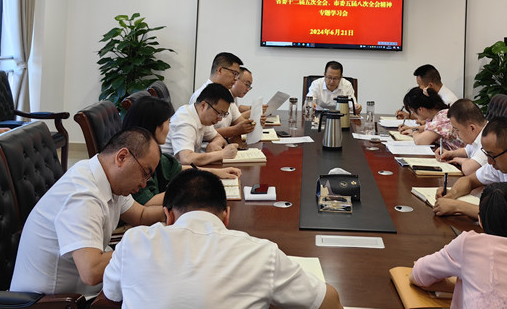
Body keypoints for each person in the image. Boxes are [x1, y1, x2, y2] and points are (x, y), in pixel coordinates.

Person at [103, 169, 342, 309]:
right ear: (226, 215)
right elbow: (327, 300)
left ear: (168, 215)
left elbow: (111, 294)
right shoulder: (261, 254)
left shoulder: (133, 241)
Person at [10, 128, 165, 297]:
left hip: (78, 292)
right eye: (145, 173)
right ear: (122, 157)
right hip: (48, 301)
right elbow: (91, 272)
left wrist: (175, 211)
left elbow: (141, 215)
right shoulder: (82, 196)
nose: (144, 184)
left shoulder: (105, 176)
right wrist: (145, 246)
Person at [121, 95, 241, 205]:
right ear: (155, 125)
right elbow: (148, 202)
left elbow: (177, 169)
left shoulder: (152, 151)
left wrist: (214, 173)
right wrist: (194, 189)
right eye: (168, 123)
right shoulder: (136, 158)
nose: (170, 128)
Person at [163, 83, 238, 166]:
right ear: (203, 106)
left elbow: (218, 137)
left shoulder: (202, 117)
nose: (220, 119)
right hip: (168, 171)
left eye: (223, 114)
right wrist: (222, 154)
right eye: (219, 113)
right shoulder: (185, 120)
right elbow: (186, 159)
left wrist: (214, 144)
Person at [436, 99, 488, 175]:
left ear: (472, 128)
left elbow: (469, 169)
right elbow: (467, 151)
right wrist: (450, 154)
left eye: (457, 130)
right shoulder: (479, 133)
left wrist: (459, 160)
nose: (456, 134)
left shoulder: (489, 138)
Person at [215, 66, 256, 142]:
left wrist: (255, 122)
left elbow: (238, 117)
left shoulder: (231, 97)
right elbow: (207, 133)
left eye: (249, 86)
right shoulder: (216, 96)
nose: (248, 89)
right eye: (247, 84)